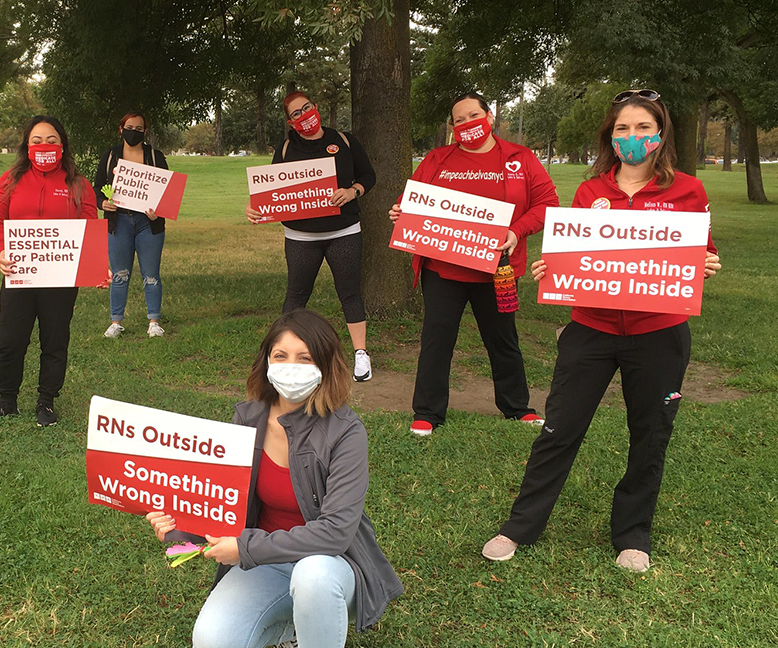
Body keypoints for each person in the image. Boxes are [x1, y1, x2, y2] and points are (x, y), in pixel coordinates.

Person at [481, 90, 722, 572]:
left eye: (641, 128)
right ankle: (521, 525)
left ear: (659, 135)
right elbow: (574, 255)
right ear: (609, 138)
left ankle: (633, 534)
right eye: (621, 129)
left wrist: (707, 264)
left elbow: (700, 252)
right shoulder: (591, 192)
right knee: (558, 429)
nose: (631, 137)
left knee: (650, 434)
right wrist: (553, 269)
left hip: (660, 334)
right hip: (590, 330)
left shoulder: (689, 191)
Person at [146, 309, 403, 647]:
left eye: (305, 358)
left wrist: (244, 548)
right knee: (212, 640)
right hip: (265, 564)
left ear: (325, 367)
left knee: (313, 579)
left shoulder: (346, 431)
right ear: (267, 362)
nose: (291, 367)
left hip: (332, 567)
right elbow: (221, 503)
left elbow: (336, 532)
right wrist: (179, 528)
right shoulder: (247, 420)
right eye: (280, 356)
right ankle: (292, 628)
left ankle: (313, 628)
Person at [389, 91, 557, 436]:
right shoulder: (437, 160)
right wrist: (400, 213)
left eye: (472, 115)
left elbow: (546, 203)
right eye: (459, 119)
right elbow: (411, 202)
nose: (467, 123)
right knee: (437, 340)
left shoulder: (519, 158)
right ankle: (427, 412)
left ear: (490, 116)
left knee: (503, 340)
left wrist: (516, 231)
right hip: (443, 270)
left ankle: (517, 407)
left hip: (497, 270)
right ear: (452, 127)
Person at [245, 91, 377, 383]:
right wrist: (254, 208)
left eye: (306, 108)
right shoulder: (287, 148)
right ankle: (280, 355)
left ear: (315, 108)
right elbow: (271, 191)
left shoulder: (343, 140)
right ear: (291, 123)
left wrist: (352, 191)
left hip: (344, 231)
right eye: (296, 113)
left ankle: (360, 354)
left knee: (350, 293)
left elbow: (368, 175)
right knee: (296, 295)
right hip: (300, 236)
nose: (304, 115)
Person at [0, 116, 98, 428]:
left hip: (60, 278)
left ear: (62, 145)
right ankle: (6, 400)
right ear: (26, 145)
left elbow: (89, 228)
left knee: (55, 340)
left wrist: (97, 265)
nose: (43, 146)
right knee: (10, 339)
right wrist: (2, 250)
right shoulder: (10, 180)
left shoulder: (78, 184)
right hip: (19, 273)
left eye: (51, 140)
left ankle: (46, 401)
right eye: (36, 141)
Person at [94, 112, 169, 338]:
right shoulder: (110, 156)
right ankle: (116, 322)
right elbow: (97, 188)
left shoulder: (155, 157)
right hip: (119, 222)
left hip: (149, 224)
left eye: (139, 128)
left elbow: (167, 192)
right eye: (129, 127)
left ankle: (154, 322)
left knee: (151, 275)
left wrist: (159, 212)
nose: (133, 132)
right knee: (120, 274)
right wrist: (103, 203)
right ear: (120, 129)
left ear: (145, 132)